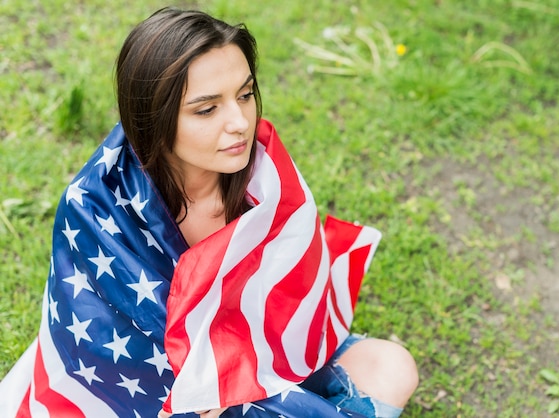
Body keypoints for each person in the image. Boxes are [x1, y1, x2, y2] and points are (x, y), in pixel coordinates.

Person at [0, 7, 418, 418]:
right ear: (152, 118)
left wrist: (236, 374)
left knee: (392, 367)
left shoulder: (265, 180)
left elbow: (285, 312)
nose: (240, 122)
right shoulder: (94, 206)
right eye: (206, 109)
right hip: (151, 388)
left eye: (246, 94)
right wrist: (212, 382)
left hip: (255, 363)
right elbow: (118, 351)